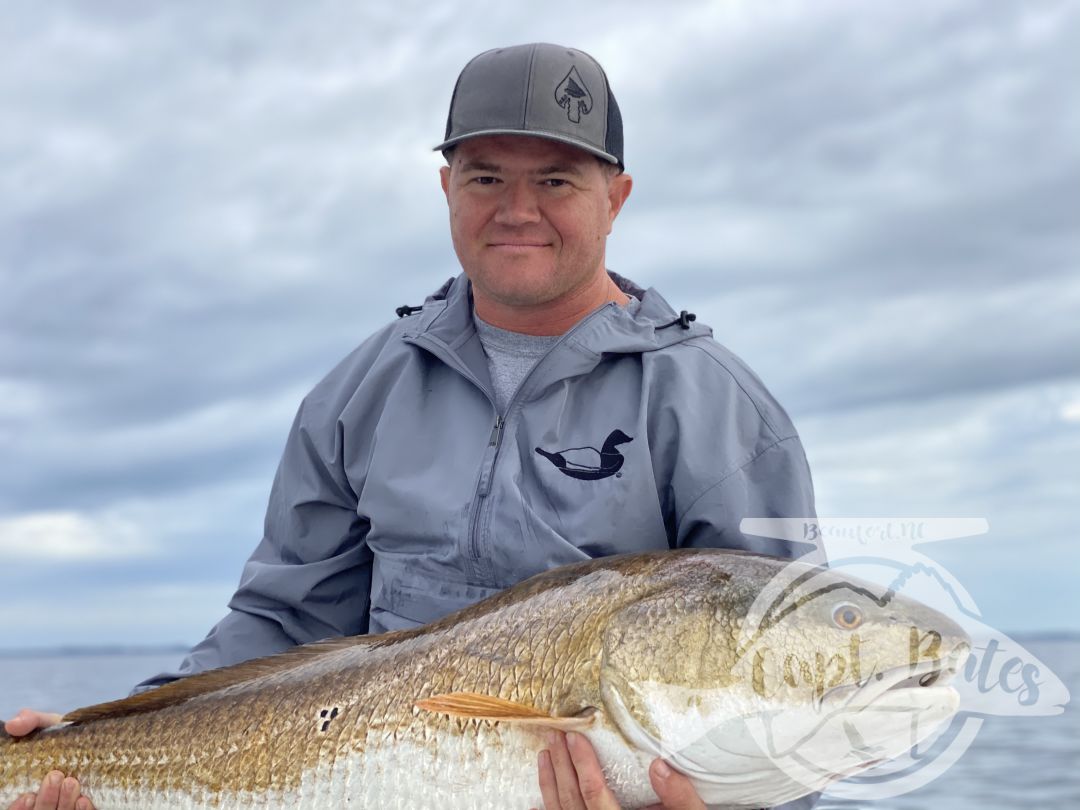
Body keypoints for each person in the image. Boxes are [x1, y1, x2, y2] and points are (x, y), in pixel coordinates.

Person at [6, 43, 817, 810]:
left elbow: (797, 688)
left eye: (558, 181)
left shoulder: (722, 410)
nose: (517, 211)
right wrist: (94, 735)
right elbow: (286, 617)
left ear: (617, 196)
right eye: (486, 177)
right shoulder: (361, 389)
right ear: (446, 187)